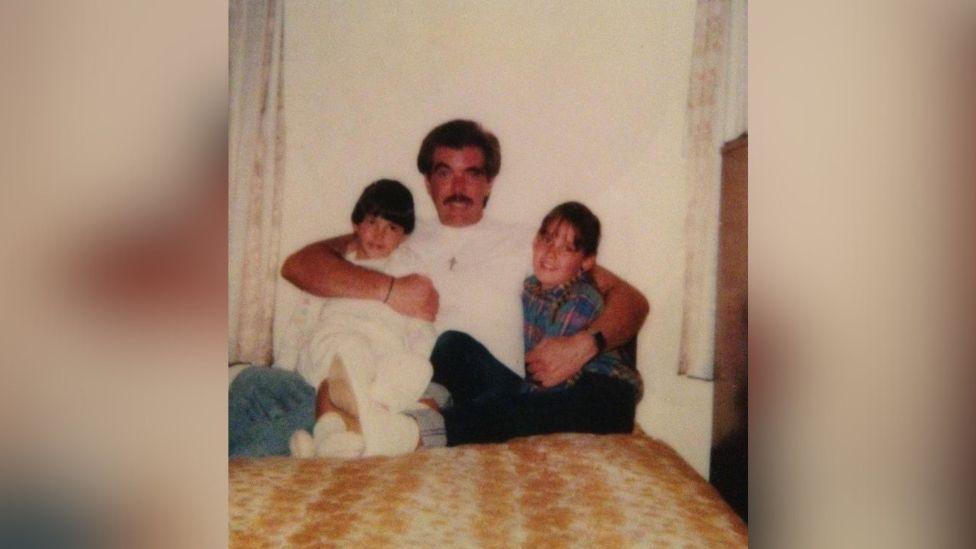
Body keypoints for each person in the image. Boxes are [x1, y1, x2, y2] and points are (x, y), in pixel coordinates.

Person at [230, 119, 648, 456]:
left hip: (457, 391)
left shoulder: (531, 244)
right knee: (253, 385)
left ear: (490, 183)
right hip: (376, 375)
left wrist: (583, 345)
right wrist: (390, 289)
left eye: (472, 174)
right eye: (444, 172)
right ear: (428, 182)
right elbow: (300, 265)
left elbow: (631, 300)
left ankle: (364, 433)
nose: (459, 186)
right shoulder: (398, 236)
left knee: (269, 440)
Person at [319, 201, 643, 450]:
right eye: (546, 240)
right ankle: (400, 404)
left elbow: (554, 375)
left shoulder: (582, 297)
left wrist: (499, 402)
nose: (550, 253)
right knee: (452, 344)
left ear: (586, 263)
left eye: (567, 248)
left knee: (506, 413)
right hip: (544, 389)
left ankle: (413, 433)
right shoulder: (532, 284)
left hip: (602, 397)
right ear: (534, 240)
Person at [277, 179, 438, 458]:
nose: (379, 234)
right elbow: (302, 317)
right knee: (351, 353)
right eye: (372, 222)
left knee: (419, 368)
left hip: (383, 354)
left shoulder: (411, 272)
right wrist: (283, 367)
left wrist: (416, 354)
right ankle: (343, 434)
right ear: (356, 224)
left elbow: (421, 326)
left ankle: (334, 440)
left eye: (392, 228)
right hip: (334, 346)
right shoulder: (335, 268)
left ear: (405, 236)